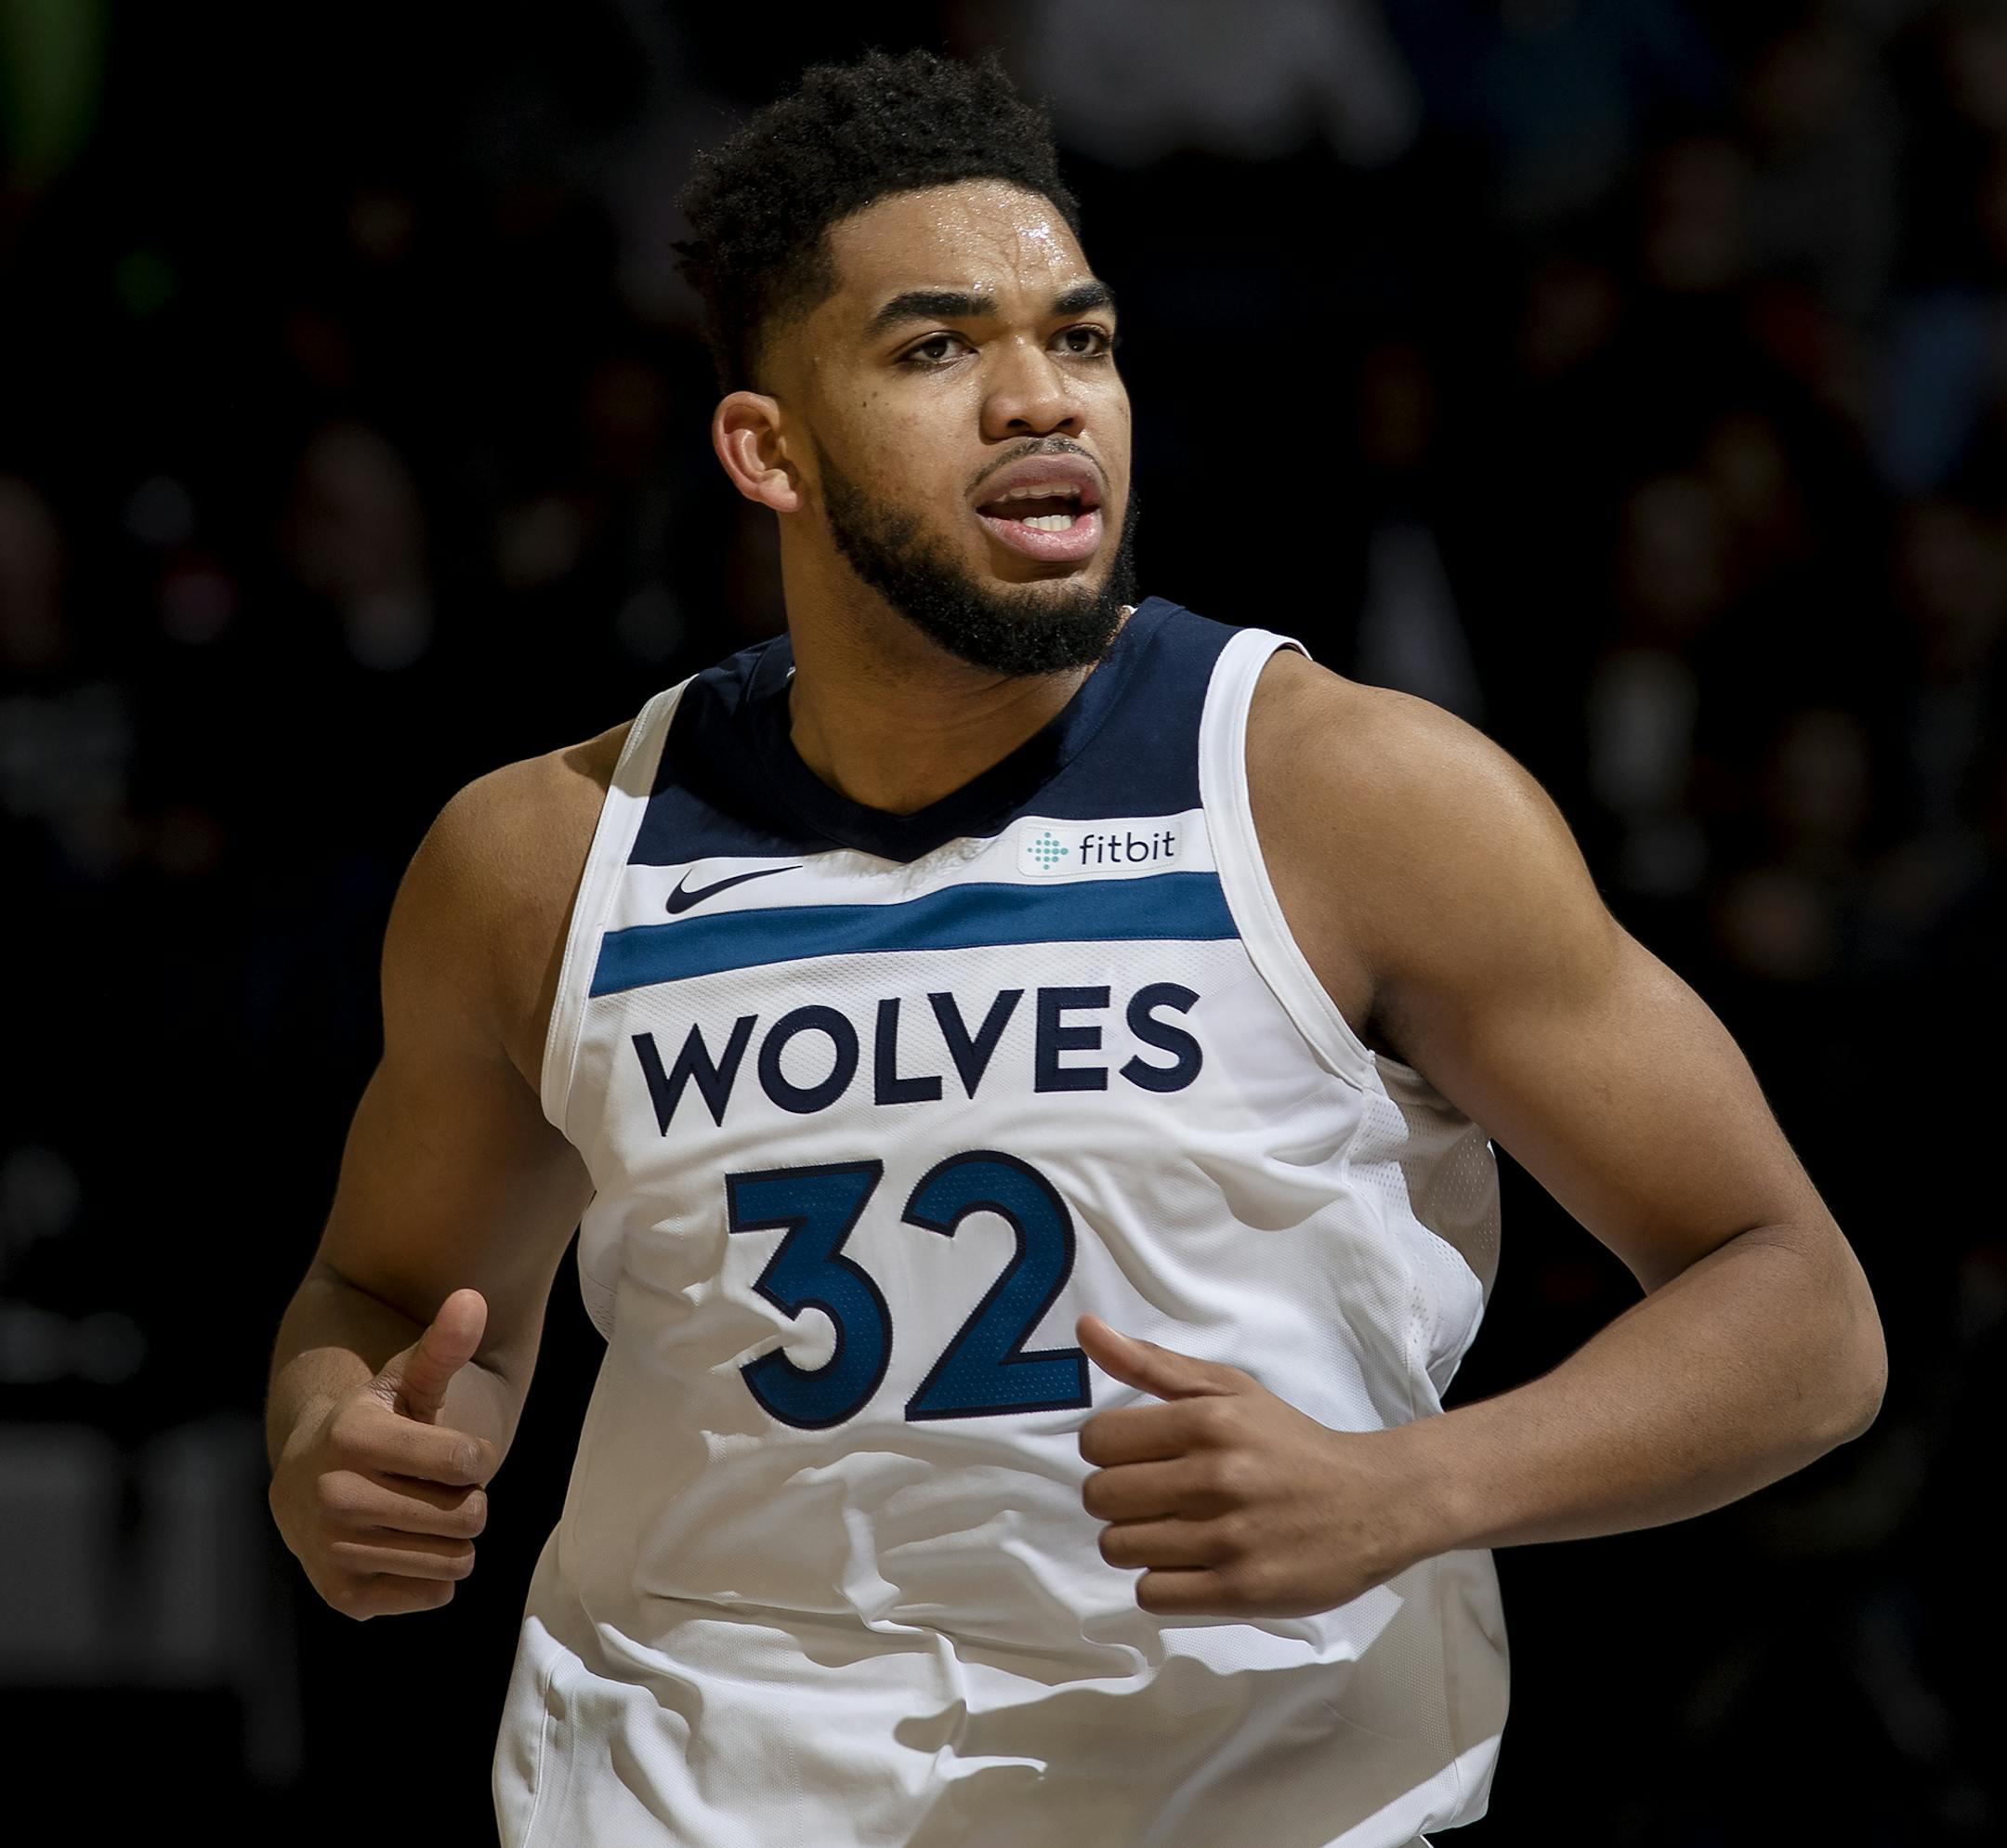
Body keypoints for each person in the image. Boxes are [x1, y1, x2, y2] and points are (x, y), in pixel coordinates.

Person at [263, 48, 1886, 1848]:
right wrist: (343, 1443)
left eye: (1083, 339)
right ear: (766, 448)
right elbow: (388, 1299)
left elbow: (1800, 1311)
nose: (1040, 397)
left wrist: (1409, 1484)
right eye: (936, 348)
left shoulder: (1346, 793)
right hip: (691, 1793)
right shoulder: (543, 856)